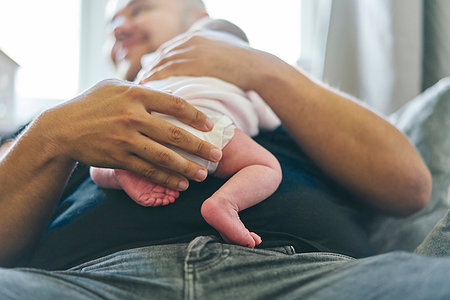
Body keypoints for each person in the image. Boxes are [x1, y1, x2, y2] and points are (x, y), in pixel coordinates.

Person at [0, 0, 449, 299]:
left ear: (195, 13)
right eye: (109, 24)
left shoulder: (276, 101)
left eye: (140, 6)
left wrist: (261, 69)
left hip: (307, 274)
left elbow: (410, 187)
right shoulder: (64, 122)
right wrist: (51, 133)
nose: (119, 25)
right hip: (80, 280)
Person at [90, 17, 282, 248]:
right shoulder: (242, 69)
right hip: (208, 124)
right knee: (267, 166)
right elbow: (270, 120)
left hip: (147, 121)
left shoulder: (156, 59)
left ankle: (117, 171)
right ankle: (225, 203)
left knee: (98, 159)